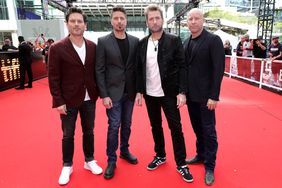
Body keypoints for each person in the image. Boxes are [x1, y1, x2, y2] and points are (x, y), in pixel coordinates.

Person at [135, 4, 193, 183]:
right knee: (155, 126)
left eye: (157, 18)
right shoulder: (142, 43)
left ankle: (181, 163)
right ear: (147, 22)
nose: (154, 21)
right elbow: (139, 69)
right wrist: (139, 91)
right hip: (150, 94)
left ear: (162, 20)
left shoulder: (174, 40)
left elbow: (182, 67)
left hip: (169, 93)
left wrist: (182, 91)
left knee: (176, 128)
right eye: (151, 19)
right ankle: (160, 154)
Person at [48, 7, 102, 185]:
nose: (77, 24)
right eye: (73, 21)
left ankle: (89, 160)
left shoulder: (93, 47)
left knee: (89, 131)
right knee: (68, 135)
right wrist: (58, 101)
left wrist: (100, 93)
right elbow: (53, 77)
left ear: (85, 25)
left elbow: (96, 72)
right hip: (68, 100)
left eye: (80, 21)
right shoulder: (57, 48)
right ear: (67, 24)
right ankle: (67, 165)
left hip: (89, 98)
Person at [95, 6, 139, 179]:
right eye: (116, 18)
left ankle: (125, 150)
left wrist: (138, 91)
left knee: (127, 124)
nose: (119, 21)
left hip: (130, 92)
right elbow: (99, 70)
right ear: (111, 21)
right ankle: (111, 159)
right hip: (112, 93)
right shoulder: (103, 41)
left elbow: (136, 68)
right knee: (114, 126)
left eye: (122, 18)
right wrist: (104, 94)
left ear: (126, 20)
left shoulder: (135, 41)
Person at [183, 8, 225, 186]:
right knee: (197, 129)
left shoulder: (213, 40)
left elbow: (218, 70)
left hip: (207, 97)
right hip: (191, 96)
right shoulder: (186, 42)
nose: (193, 21)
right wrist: (183, 92)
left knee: (209, 131)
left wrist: (214, 96)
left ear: (203, 21)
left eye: (197, 18)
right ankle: (200, 155)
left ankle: (210, 165)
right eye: (190, 19)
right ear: (187, 22)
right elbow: (184, 69)